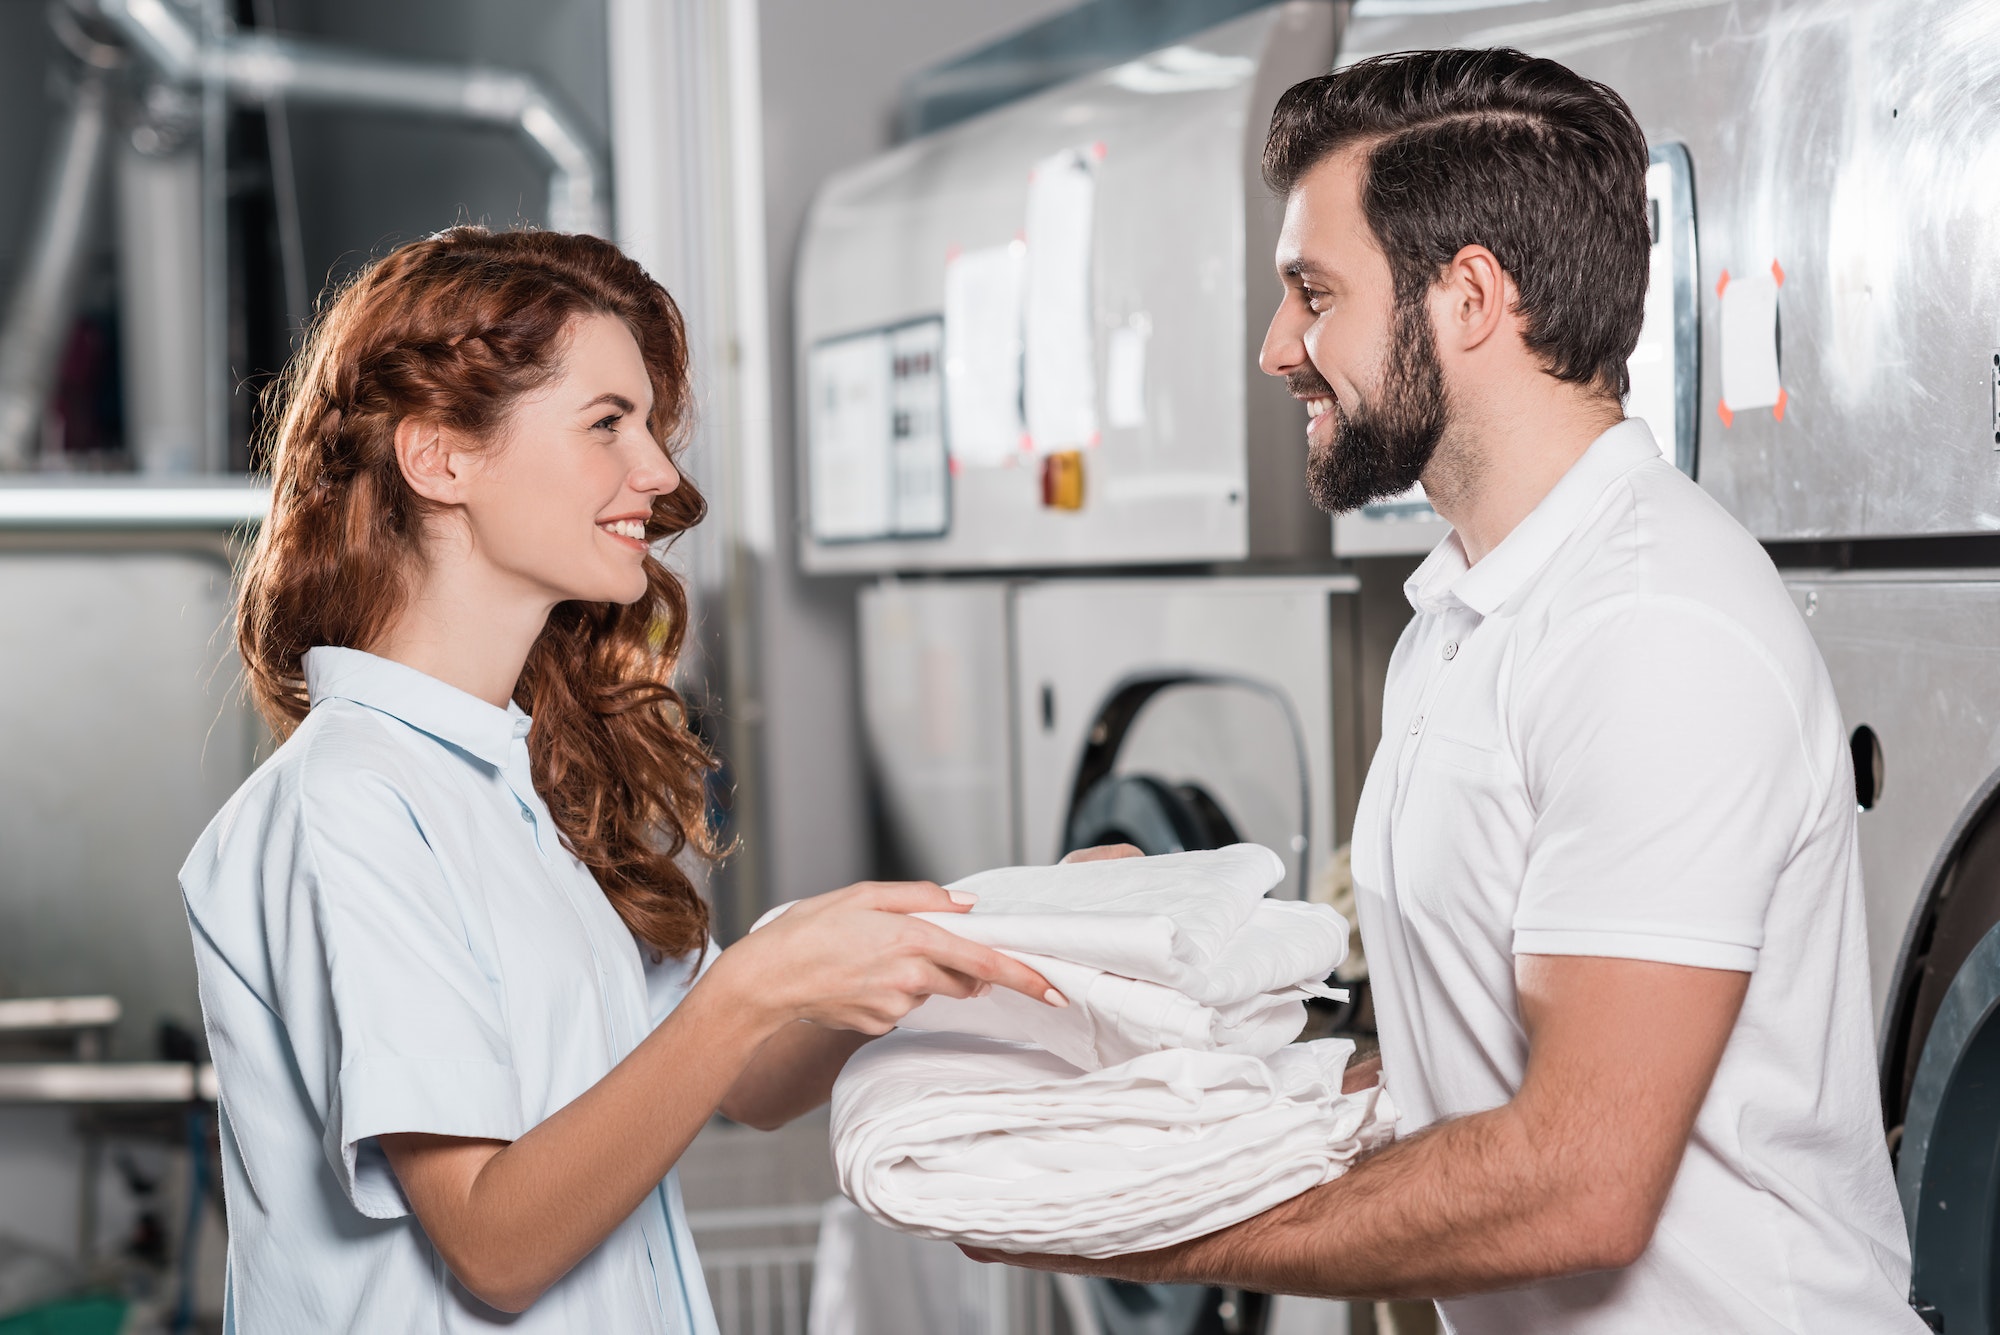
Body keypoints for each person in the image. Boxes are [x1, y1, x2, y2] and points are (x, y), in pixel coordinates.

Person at [975, 48, 1925, 1333]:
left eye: (1313, 292)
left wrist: (1145, 1227)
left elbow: (1580, 1185)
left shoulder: (1651, 627)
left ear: (1468, 296)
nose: (1275, 349)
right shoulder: (1464, 615)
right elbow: (1454, 1084)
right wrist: (1155, 1096)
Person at [180, 227, 1066, 1333]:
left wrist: (1011, 928)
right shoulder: (351, 801)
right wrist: (754, 987)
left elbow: (750, 1078)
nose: (659, 474)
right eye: (607, 423)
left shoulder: (525, 784)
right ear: (440, 458)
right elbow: (494, 1243)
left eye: (647, 426)